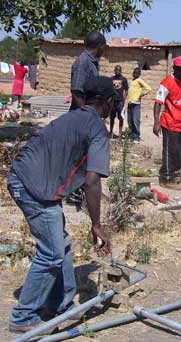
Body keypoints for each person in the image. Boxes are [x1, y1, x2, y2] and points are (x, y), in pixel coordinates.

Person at [7, 76, 113, 333]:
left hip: (24, 177)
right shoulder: (97, 129)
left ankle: (59, 305)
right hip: (34, 188)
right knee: (51, 253)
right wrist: (96, 224)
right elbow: (91, 181)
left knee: (60, 245)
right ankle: (23, 316)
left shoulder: (70, 116)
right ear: (106, 103)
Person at [153, 56, 181, 190]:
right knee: (170, 151)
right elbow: (157, 102)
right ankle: (166, 178)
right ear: (174, 68)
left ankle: (173, 170)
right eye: (180, 69)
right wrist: (156, 122)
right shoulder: (167, 83)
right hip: (170, 123)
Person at [70, 31, 106, 110]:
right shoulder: (83, 61)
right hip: (79, 116)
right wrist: (85, 112)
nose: (104, 50)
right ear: (99, 46)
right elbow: (76, 92)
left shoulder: (92, 63)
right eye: (104, 47)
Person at [127, 68, 151, 143]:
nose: (135, 74)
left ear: (139, 74)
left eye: (137, 73)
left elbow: (148, 88)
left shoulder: (139, 80)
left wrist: (142, 94)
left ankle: (136, 137)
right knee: (130, 121)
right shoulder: (131, 81)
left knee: (135, 120)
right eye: (134, 72)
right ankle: (131, 136)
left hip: (136, 104)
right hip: (130, 103)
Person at [110, 65, 129, 138]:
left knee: (121, 118)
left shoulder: (124, 79)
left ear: (121, 71)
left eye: (119, 70)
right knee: (112, 118)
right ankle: (111, 132)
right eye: (116, 70)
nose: (117, 71)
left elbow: (126, 90)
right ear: (114, 70)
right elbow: (109, 89)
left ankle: (120, 134)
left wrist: (124, 98)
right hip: (113, 101)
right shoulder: (111, 79)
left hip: (120, 101)